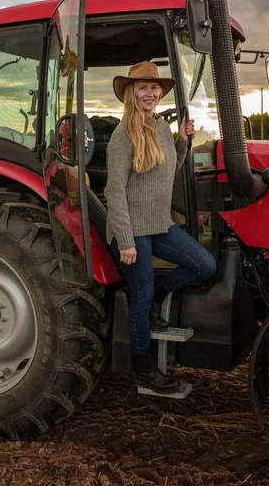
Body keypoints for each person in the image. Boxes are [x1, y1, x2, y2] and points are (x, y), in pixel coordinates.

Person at [104, 61, 217, 394]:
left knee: (203, 264)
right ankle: (144, 368)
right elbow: (114, 190)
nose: (150, 93)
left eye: (154, 88)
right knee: (141, 295)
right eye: (142, 88)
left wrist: (183, 141)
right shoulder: (122, 136)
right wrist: (126, 241)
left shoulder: (162, 129)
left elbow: (168, 171)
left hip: (158, 224)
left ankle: (160, 297)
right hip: (132, 231)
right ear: (131, 92)